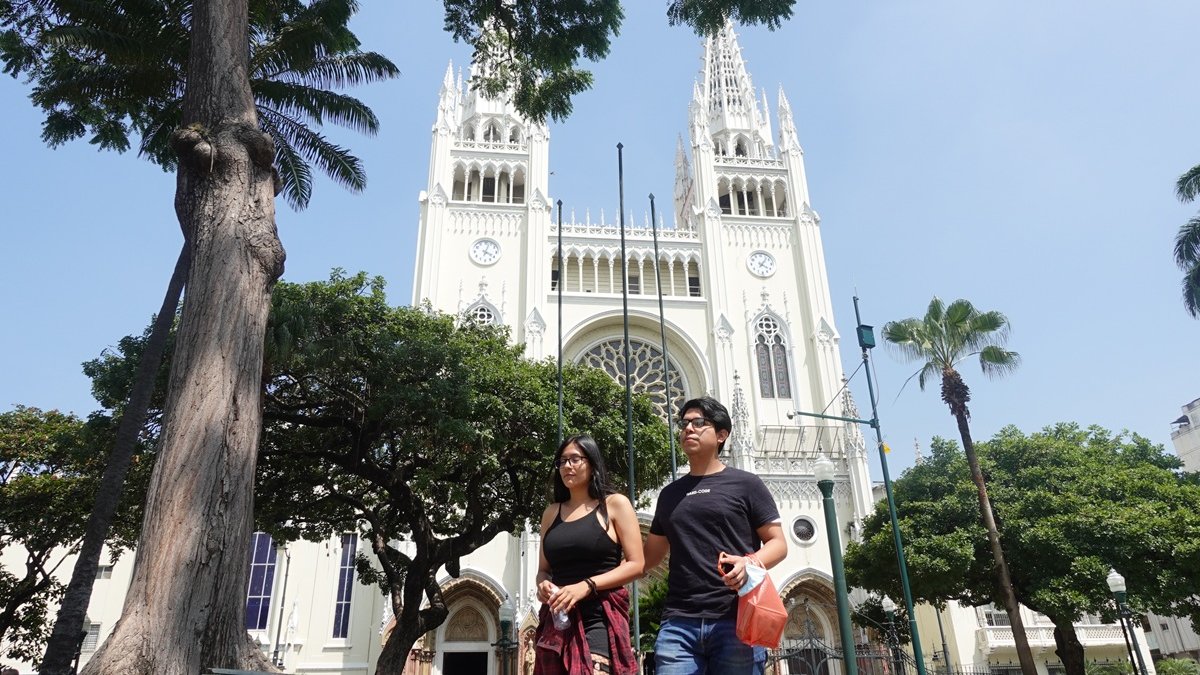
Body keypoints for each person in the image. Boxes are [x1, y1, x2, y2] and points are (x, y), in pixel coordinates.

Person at [644, 395, 788, 674]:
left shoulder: (746, 484)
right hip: (679, 623)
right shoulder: (669, 494)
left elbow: (778, 544)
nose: (688, 429)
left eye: (699, 423)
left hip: (736, 619)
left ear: (722, 435)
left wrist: (750, 562)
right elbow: (649, 557)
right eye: (684, 423)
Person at [535, 435, 644, 675]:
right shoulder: (551, 513)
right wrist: (543, 585)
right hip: (557, 621)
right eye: (562, 461)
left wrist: (586, 586)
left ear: (592, 463)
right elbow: (544, 569)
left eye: (575, 459)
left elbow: (637, 564)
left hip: (599, 618)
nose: (567, 466)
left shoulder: (615, 505)